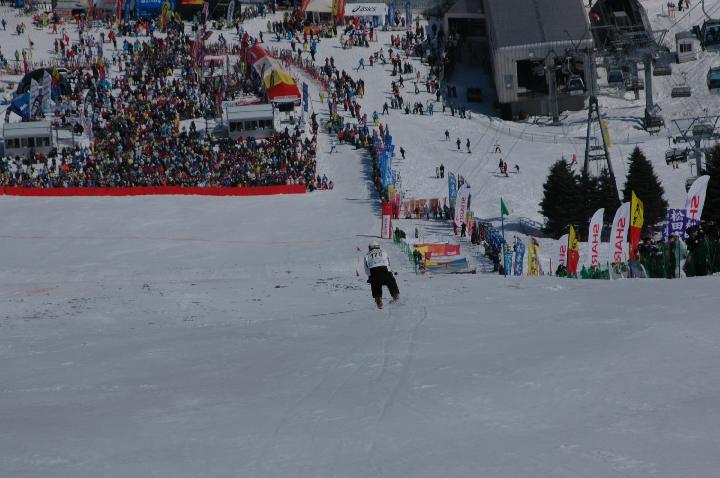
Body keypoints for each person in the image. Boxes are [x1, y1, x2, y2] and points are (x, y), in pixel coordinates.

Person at [364, 241, 400, 309]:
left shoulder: (367, 255)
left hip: (374, 271)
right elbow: (388, 263)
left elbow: (366, 269)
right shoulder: (384, 252)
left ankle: (379, 301)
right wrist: (391, 273)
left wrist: (370, 277)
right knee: (391, 282)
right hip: (384, 269)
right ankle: (395, 296)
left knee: (375, 285)